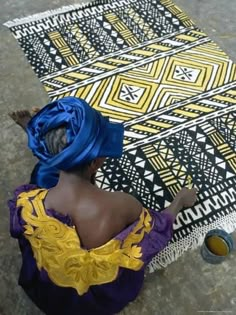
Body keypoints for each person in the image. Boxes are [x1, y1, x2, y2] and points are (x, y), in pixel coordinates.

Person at [8, 97, 197, 315]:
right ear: (96, 162)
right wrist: (180, 201)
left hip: (48, 290)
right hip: (94, 300)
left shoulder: (28, 203)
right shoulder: (121, 205)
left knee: (41, 177)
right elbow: (157, 228)